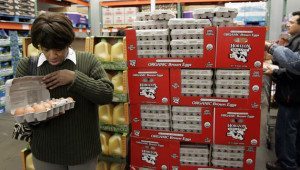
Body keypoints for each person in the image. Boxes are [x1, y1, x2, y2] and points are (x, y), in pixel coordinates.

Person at [16, 13, 114, 170]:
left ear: (68, 42)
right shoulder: (27, 66)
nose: (52, 55)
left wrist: (75, 79)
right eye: (46, 49)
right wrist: (42, 114)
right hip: (46, 151)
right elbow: (20, 110)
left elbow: (107, 94)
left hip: (83, 151)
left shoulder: (87, 61)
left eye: (58, 49)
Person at [264, 11, 300, 170]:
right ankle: (291, 161)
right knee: (292, 133)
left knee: (286, 132)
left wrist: (275, 70)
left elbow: (295, 66)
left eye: (292, 22)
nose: (288, 24)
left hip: (292, 97)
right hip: (292, 95)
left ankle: (287, 165)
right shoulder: (295, 40)